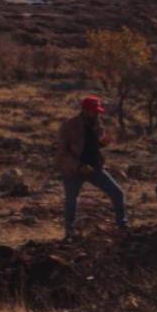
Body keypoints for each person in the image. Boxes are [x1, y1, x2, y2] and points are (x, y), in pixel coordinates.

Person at [56, 95, 127, 239]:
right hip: (73, 171)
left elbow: (93, 145)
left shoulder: (97, 124)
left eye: (97, 111)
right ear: (85, 110)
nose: (96, 114)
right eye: (94, 111)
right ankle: (70, 233)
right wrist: (78, 166)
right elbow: (62, 153)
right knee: (71, 200)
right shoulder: (69, 126)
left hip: (94, 168)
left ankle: (122, 225)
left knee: (117, 193)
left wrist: (103, 143)